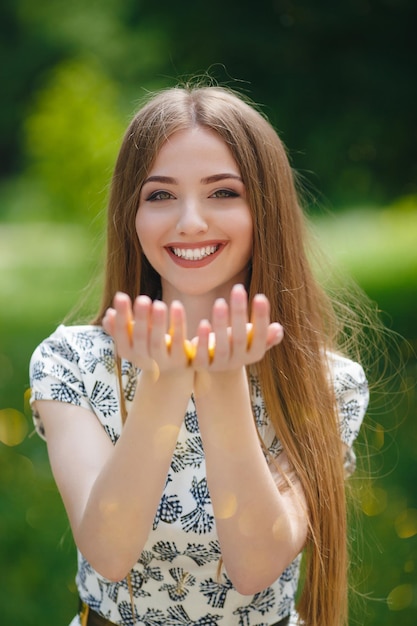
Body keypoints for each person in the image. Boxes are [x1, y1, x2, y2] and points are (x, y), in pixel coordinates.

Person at [29, 84, 369, 626]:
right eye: (159, 195)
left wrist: (223, 380)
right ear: (130, 215)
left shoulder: (326, 382)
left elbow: (255, 566)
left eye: (223, 193)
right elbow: (109, 554)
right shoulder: (72, 363)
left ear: (267, 210)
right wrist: (164, 384)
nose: (190, 222)